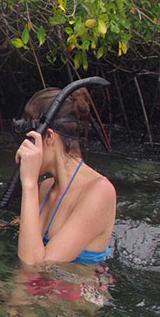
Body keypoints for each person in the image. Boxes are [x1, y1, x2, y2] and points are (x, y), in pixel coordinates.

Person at [13, 87, 116, 266]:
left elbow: (35, 267)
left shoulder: (100, 192)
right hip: (36, 291)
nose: (23, 147)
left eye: (29, 139)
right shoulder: (45, 188)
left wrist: (28, 184)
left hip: (73, 291)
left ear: (50, 137)